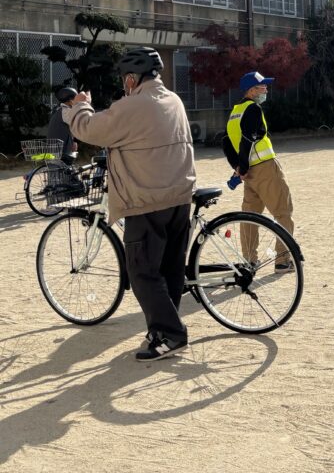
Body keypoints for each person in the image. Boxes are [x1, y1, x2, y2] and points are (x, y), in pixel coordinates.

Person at [64, 47, 196, 362]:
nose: (125, 85)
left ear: (132, 78)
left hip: (147, 201)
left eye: (126, 79)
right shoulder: (173, 100)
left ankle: (170, 336)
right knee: (170, 269)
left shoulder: (133, 105)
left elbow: (90, 130)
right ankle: (163, 327)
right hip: (180, 196)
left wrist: (80, 107)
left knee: (142, 272)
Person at [223, 71, 295, 272]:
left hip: (250, 175)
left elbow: (226, 143)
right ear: (251, 90)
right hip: (265, 168)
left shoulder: (235, 112)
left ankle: (249, 261)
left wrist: (238, 167)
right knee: (283, 213)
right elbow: (248, 138)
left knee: (249, 216)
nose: (266, 89)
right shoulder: (253, 109)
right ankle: (282, 260)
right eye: (262, 86)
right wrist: (242, 166)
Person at [48, 87, 79, 164]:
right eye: (75, 99)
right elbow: (77, 125)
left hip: (54, 146)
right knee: (65, 170)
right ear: (70, 100)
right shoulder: (66, 111)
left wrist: (74, 141)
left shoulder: (57, 109)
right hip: (62, 148)